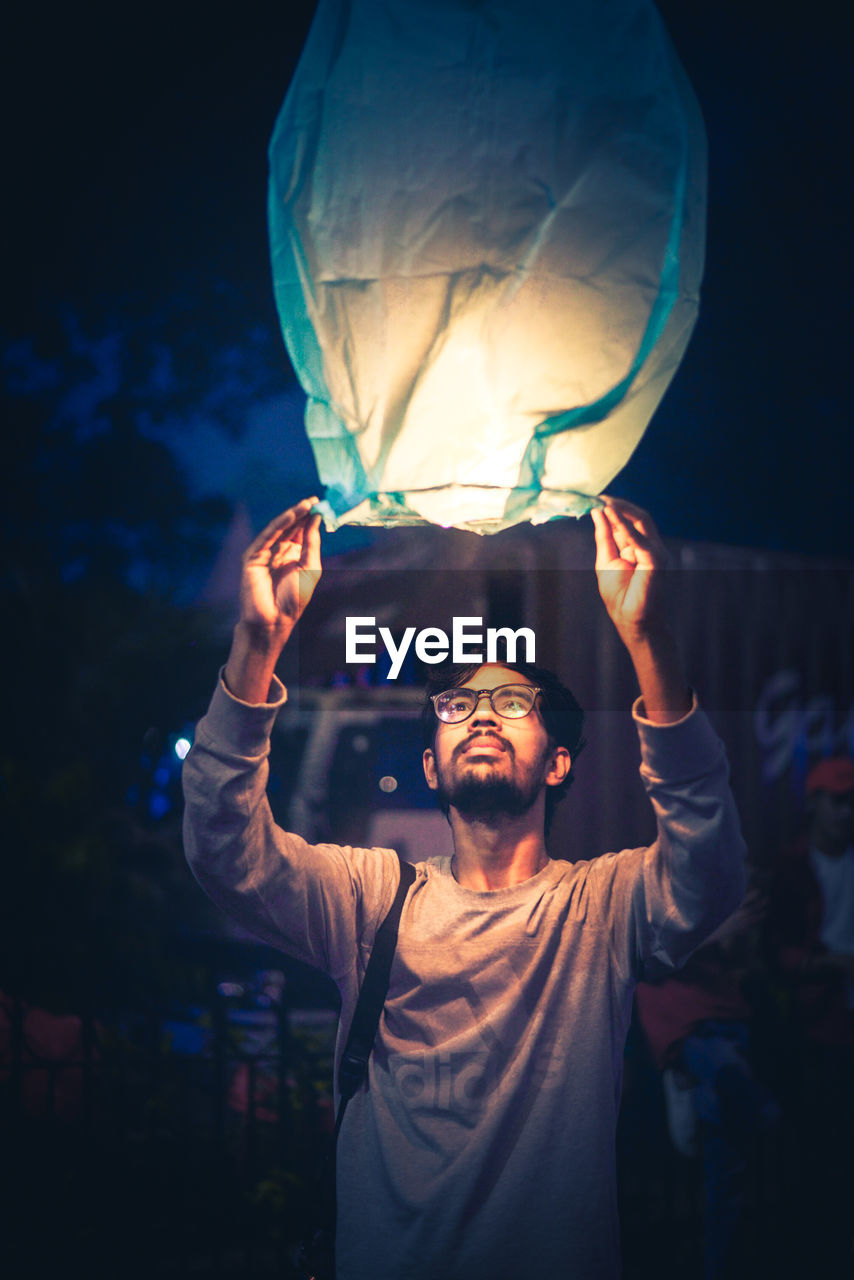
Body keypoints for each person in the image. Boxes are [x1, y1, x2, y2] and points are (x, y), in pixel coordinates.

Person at [182, 495, 746, 1280]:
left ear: (558, 762)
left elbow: (711, 871)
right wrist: (256, 641)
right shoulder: (373, 900)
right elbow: (221, 848)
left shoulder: (601, 907)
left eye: (513, 703)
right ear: (428, 765)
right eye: (457, 705)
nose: (482, 715)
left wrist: (650, 642)